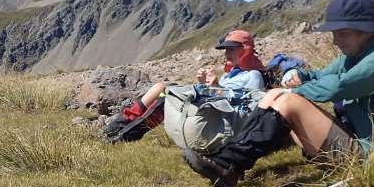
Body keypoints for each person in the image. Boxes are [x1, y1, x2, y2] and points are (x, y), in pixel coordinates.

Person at [183, 0, 374, 187]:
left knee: (289, 102)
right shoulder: (358, 52)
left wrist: (295, 93)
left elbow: (339, 86)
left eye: (343, 32)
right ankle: (228, 162)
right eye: (334, 33)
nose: (336, 40)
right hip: (356, 140)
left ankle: (228, 166)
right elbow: (322, 74)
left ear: (366, 29)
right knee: (273, 95)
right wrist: (302, 75)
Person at [105, 30, 268, 141]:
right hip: (211, 110)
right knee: (161, 88)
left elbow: (247, 106)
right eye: (226, 49)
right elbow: (220, 95)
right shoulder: (231, 73)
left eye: (231, 49)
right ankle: (115, 127)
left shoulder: (253, 75)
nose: (226, 53)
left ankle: (123, 137)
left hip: (220, 121)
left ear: (245, 50)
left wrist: (216, 86)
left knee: (168, 98)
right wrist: (206, 86)